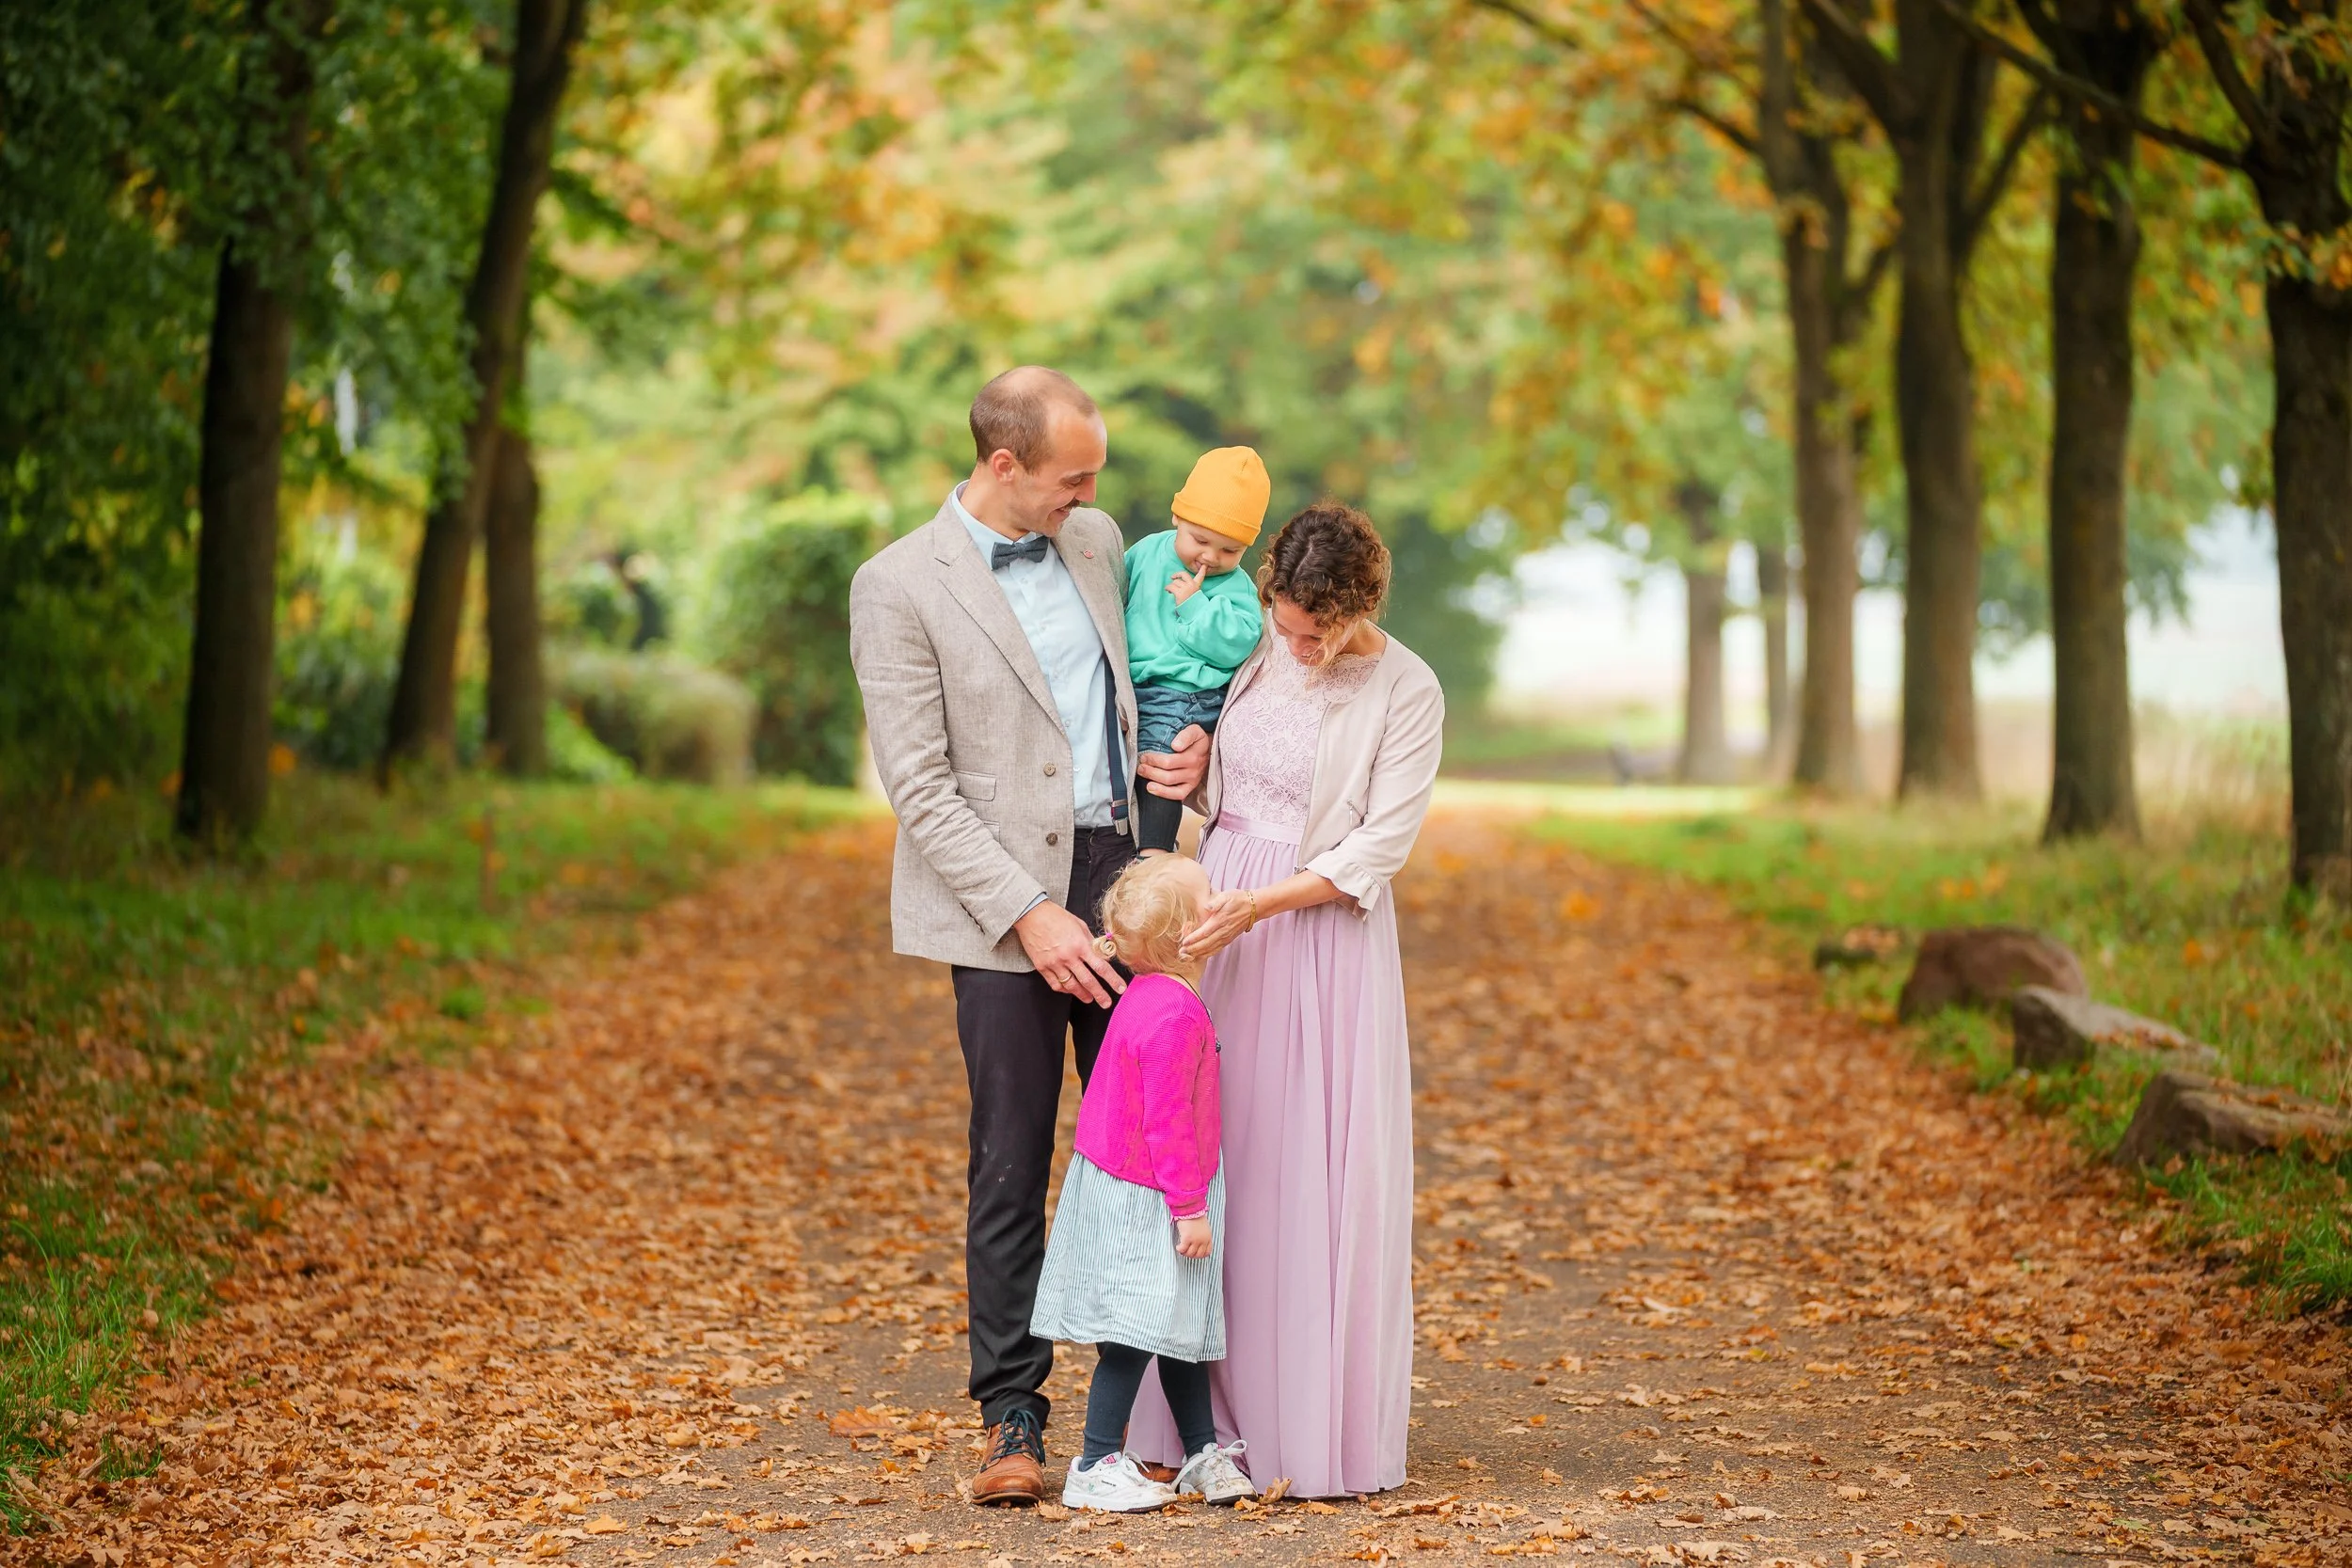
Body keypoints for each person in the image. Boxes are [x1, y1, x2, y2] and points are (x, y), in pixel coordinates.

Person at [848, 367, 1209, 1508]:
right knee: (1008, 1160)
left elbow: (1167, 673)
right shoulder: (896, 584)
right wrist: (1027, 910)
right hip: (999, 908)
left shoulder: (1099, 540)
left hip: (1122, 881)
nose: (1093, 493)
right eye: (1072, 474)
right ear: (1003, 466)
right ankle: (1013, 1412)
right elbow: (919, 783)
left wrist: (1191, 745)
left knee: (1150, 1150)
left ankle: (1147, 1407)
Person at [1127, 499, 1442, 1498]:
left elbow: (1376, 850)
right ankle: (1190, 1418)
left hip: (1314, 931)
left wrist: (1260, 900)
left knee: (1301, 1169)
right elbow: (1227, 769)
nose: (1298, 644)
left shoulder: (1407, 687)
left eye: (1319, 630)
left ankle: (1297, 1422)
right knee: (1211, 1155)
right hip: (1220, 918)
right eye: (1287, 622)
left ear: (1362, 608)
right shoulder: (1256, 642)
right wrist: (1192, 769)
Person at [1029, 854, 1256, 1513]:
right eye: (1209, 893)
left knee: (1180, 1324)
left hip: (1147, 1186)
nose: (1221, 895)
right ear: (1188, 934)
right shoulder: (1174, 1016)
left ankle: (1199, 1451)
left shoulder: (1148, 994)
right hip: (1152, 1195)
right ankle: (1096, 1461)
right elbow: (1167, 1122)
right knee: (1132, 1332)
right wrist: (1188, 1207)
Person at [1121, 448, 1269, 853]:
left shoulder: (1235, 586)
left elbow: (1236, 645)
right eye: (1200, 540)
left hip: (1184, 692)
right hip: (1134, 681)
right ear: (1177, 517)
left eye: (1229, 550)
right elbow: (1114, 596)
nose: (1210, 557)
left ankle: (1154, 849)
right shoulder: (1147, 552)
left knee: (1162, 751)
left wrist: (1195, 606)